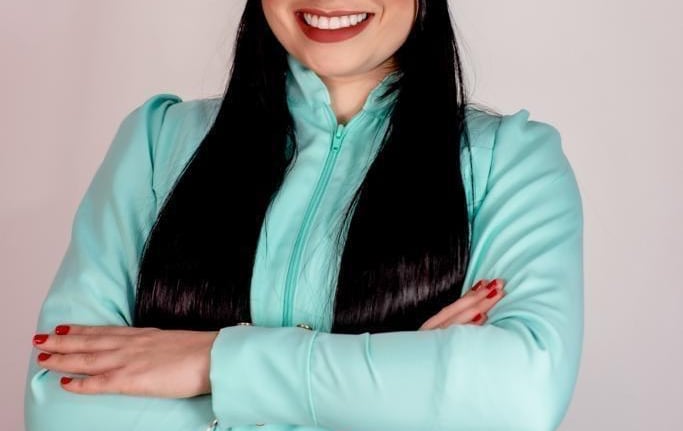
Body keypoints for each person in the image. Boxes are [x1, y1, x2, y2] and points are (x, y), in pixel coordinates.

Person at [24, 1, 584, 430]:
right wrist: (395, 390)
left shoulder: (510, 161)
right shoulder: (157, 142)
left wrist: (210, 362)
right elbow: (60, 407)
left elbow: (520, 394)